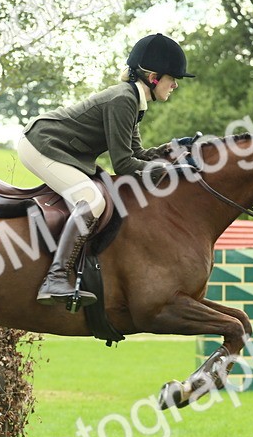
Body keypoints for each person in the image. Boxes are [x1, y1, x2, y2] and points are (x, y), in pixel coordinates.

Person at [16, 32, 195, 309]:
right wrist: (171, 173)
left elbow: (136, 154)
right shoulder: (123, 99)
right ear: (154, 77)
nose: (175, 86)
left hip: (62, 149)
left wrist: (169, 151)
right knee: (91, 200)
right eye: (173, 79)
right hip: (43, 144)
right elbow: (123, 165)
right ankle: (55, 278)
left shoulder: (134, 101)